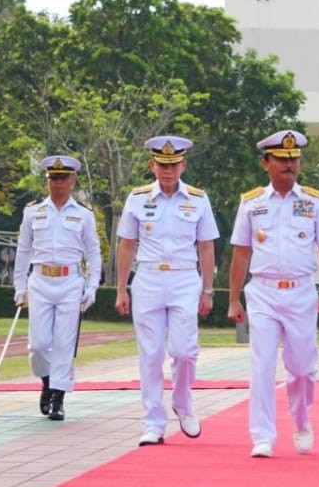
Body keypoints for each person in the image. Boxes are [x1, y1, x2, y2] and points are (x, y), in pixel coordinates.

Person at [226, 129, 319, 458]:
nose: (289, 164)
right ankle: (262, 436)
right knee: (261, 364)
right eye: (282, 159)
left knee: (302, 367)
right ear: (266, 163)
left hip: (302, 292)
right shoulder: (251, 204)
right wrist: (234, 299)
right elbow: (241, 254)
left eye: (294, 159)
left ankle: (302, 420)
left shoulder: (314, 202)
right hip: (262, 293)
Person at [114, 135, 219, 446]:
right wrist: (121, 289)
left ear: (183, 165)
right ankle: (153, 423)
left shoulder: (198, 199)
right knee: (150, 354)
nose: (168, 170)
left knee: (185, 351)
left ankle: (183, 402)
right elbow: (126, 245)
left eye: (174, 164)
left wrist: (208, 290)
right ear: (152, 165)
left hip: (185, 279)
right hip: (147, 279)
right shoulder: (137, 198)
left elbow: (207, 245)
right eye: (162, 164)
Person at [11, 155, 101, 422]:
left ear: (72, 180)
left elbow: (94, 253)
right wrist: (19, 285)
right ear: (47, 180)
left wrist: (92, 286)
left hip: (70, 281)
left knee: (64, 342)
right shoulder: (33, 211)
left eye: (62, 178)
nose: (57, 183)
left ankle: (58, 397)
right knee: (38, 345)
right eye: (53, 178)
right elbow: (23, 250)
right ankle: (48, 381)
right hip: (40, 280)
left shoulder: (83, 215)